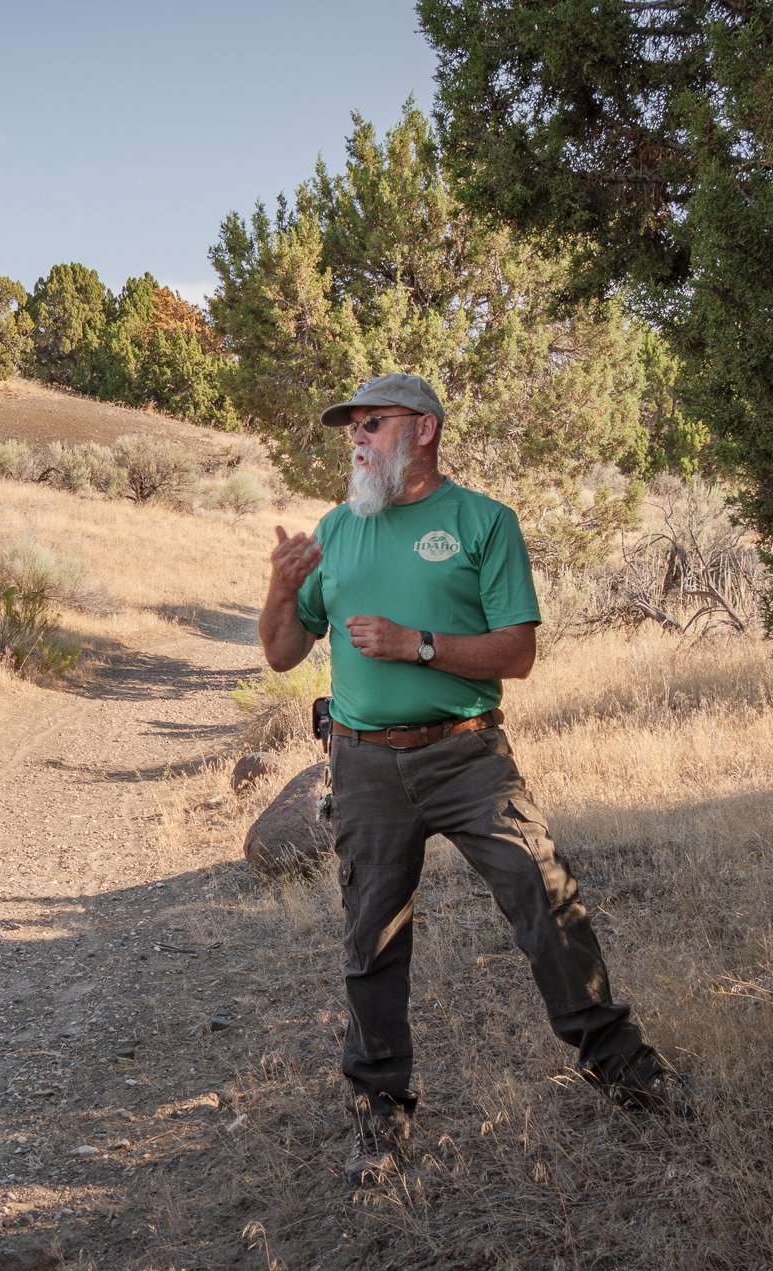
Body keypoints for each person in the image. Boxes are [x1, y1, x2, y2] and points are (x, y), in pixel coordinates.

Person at [257, 373, 687, 1185]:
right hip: (361, 762)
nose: (354, 437)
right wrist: (281, 587)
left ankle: (621, 1069)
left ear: (421, 430)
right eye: (350, 427)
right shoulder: (335, 529)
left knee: (541, 893)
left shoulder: (481, 522)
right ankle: (378, 1115)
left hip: (464, 755)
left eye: (370, 424)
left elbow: (516, 654)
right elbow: (282, 651)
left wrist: (416, 643)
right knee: (370, 937)